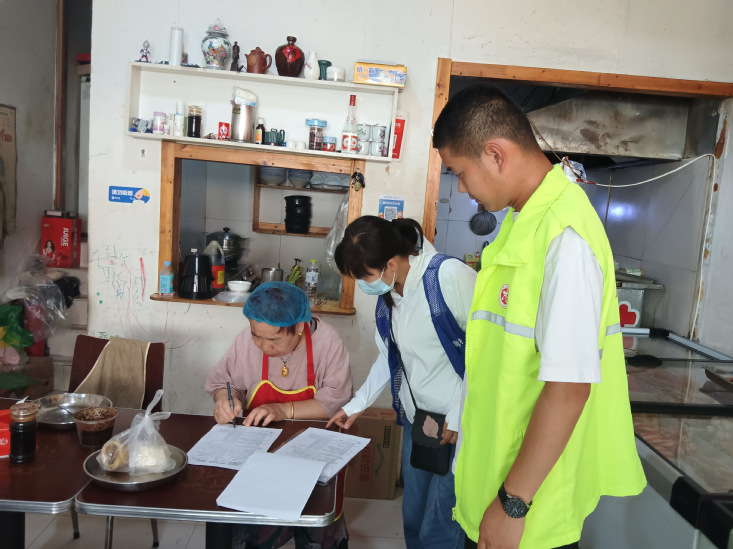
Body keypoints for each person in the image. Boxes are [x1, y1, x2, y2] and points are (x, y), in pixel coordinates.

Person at [432, 85, 646, 549]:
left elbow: (568, 390)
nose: (462, 188)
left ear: (495, 154)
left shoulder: (565, 238)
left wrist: (513, 503)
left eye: (461, 173)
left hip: (528, 516)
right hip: (494, 488)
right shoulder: (520, 223)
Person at [328, 216, 477, 549]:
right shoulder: (390, 296)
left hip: (459, 424)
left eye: (365, 277)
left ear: (392, 264)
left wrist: (458, 414)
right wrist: (356, 405)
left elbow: (484, 354)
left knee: (440, 526)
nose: (363, 285)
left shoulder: (448, 277)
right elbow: (390, 357)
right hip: (419, 422)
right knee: (413, 517)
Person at [205, 281, 353, 549]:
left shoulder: (326, 342)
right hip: (258, 454)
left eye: (273, 339)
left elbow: (336, 402)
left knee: (320, 527)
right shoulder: (245, 342)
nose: (263, 346)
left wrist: (283, 409)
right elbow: (224, 384)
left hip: (313, 452)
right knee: (243, 532)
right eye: (256, 335)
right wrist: (225, 400)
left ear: (300, 327)